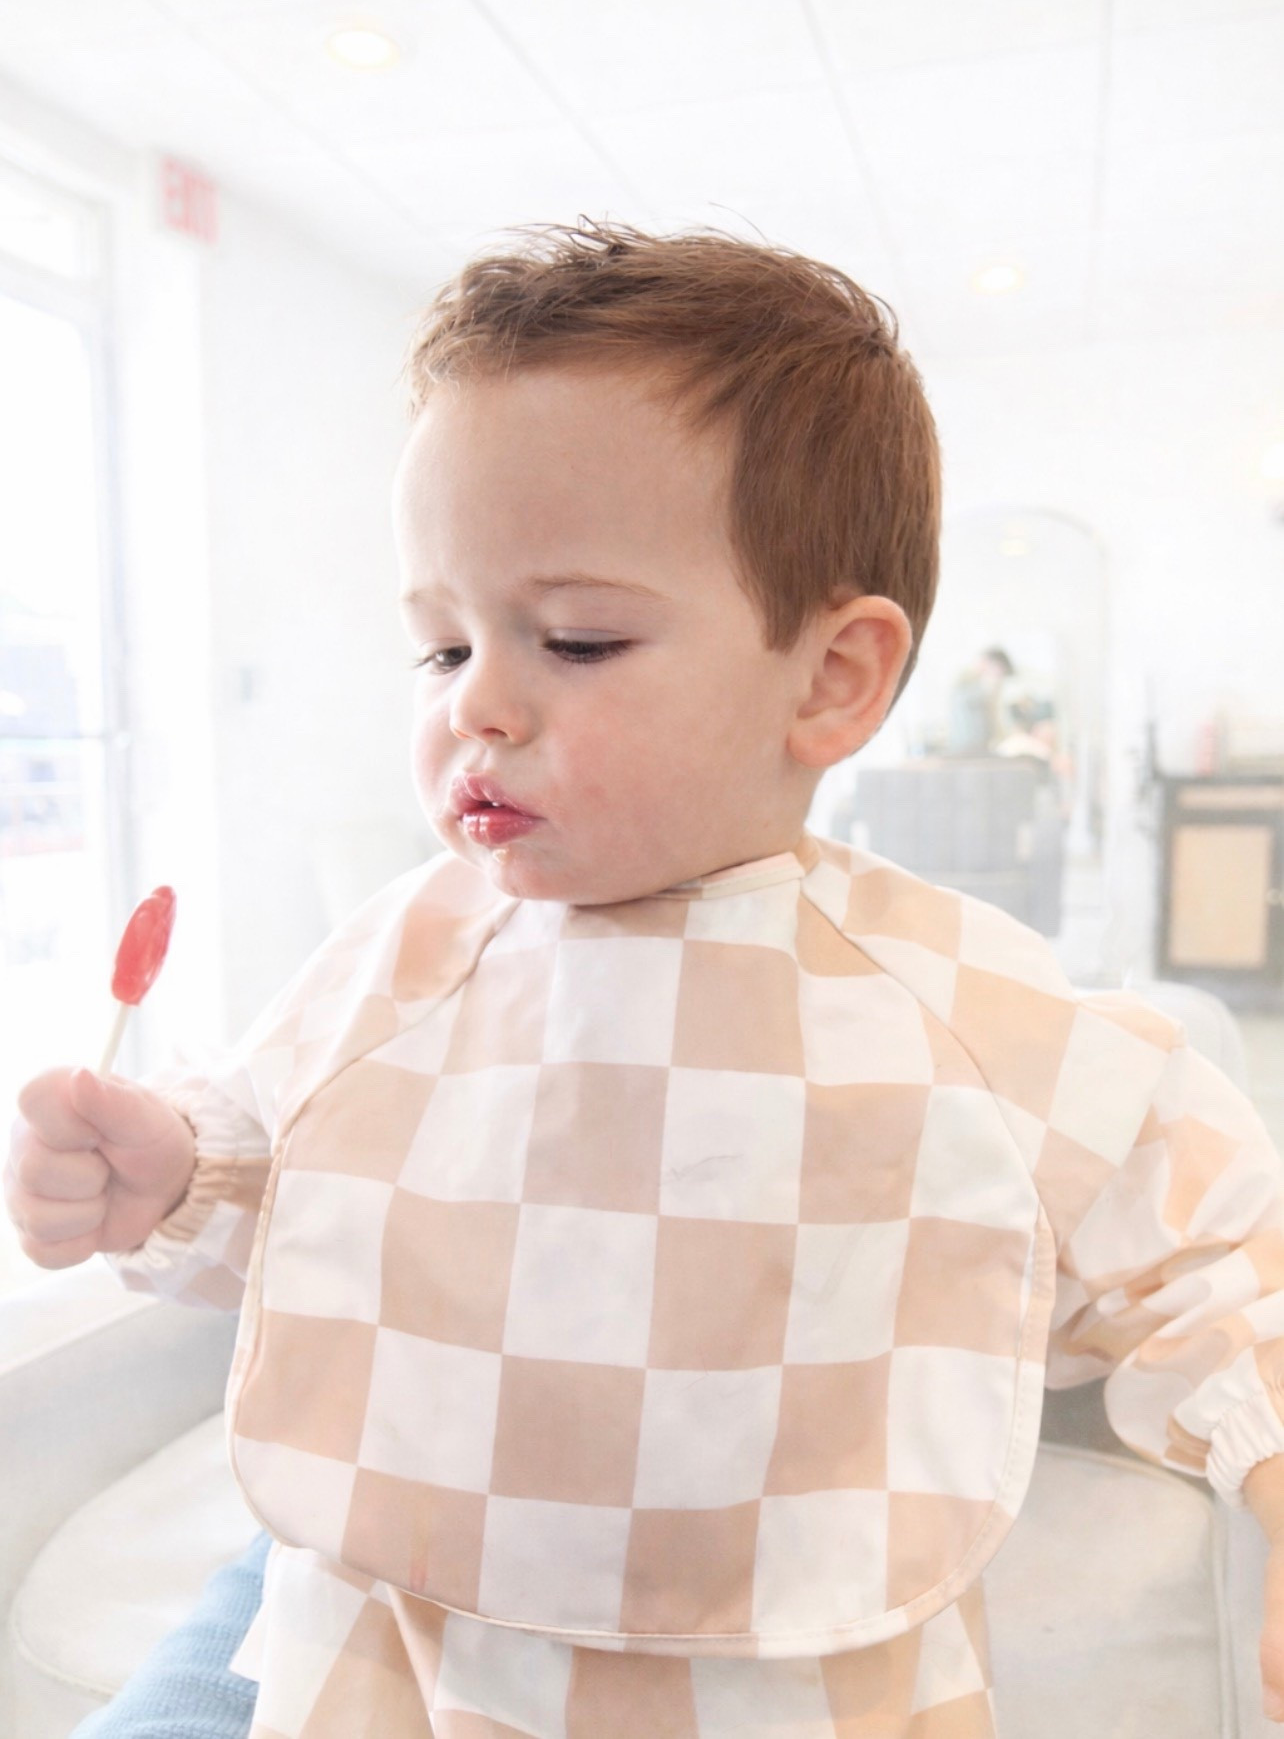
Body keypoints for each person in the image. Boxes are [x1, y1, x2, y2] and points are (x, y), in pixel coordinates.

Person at [8, 220, 1284, 1738]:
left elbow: (1208, 1241)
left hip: (772, 1686)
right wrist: (169, 1177)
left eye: (578, 639)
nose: (479, 699)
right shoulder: (398, 954)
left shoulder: (945, 1001)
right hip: (385, 1657)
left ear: (831, 678)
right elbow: (298, 1194)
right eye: (439, 648)